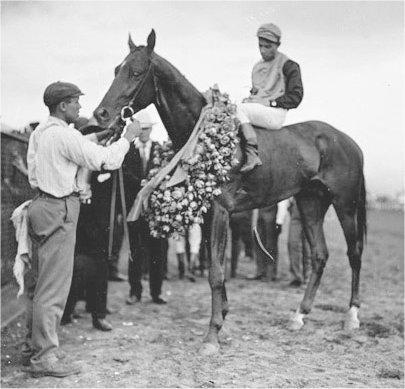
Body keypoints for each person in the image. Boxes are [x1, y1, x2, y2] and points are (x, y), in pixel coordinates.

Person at [23, 81, 140, 378]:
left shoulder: (43, 132)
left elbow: (69, 147)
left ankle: (32, 347)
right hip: (60, 209)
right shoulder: (64, 136)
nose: (80, 107)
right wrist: (127, 138)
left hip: (41, 206)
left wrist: (100, 135)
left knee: (40, 284)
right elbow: (107, 160)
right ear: (63, 106)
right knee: (53, 288)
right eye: (76, 102)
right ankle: (44, 358)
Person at [236, 22, 304, 173]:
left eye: (268, 46)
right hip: (260, 110)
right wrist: (251, 99)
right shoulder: (257, 67)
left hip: (275, 113)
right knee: (234, 105)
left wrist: (271, 102)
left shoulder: (289, 65)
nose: (263, 50)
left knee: (238, 109)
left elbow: (296, 97)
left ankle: (252, 154)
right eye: (260, 46)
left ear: (277, 45)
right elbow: (258, 94)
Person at [123, 110, 168, 306]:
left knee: (157, 252)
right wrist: (140, 183)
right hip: (135, 209)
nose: (144, 133)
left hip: (155, 211)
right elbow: (125, 175)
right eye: (140, 129)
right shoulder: (128, 150)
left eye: (147, 129)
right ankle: (135, 291)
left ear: (151, 130)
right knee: (135, 251)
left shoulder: (159, 149)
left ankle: (156, 292)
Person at [288, 198, 311, 287]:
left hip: (311, 206)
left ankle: (308, 277)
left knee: (308, 245)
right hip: (296, 205)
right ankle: (296, 277)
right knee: (292, 243)